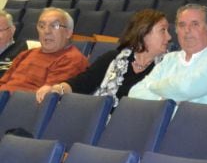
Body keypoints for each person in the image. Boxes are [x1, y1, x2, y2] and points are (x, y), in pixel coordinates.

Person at [34, 9, 170, 106]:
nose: (169, 37)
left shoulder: (168, 67)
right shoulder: (112, 59)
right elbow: (82, 83)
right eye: (163, 30)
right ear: (143, 32)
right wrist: (56, 89)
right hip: (98, 123)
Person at [128, 4, 207, 104]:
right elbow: (134, 93)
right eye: (182, 25)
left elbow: (188, 88)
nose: (187, 30)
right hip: (160, 120)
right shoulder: (169, 59)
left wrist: (151, 86)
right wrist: (163, 100)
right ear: (176, 30)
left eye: (195, 24)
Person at [0, 8, 88, 92]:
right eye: (41, 26)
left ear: (68, 33)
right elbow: (2, 83)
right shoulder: (26, 54)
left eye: (54, 26)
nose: (46, 31)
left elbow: (48, 97)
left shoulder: (72, 59)